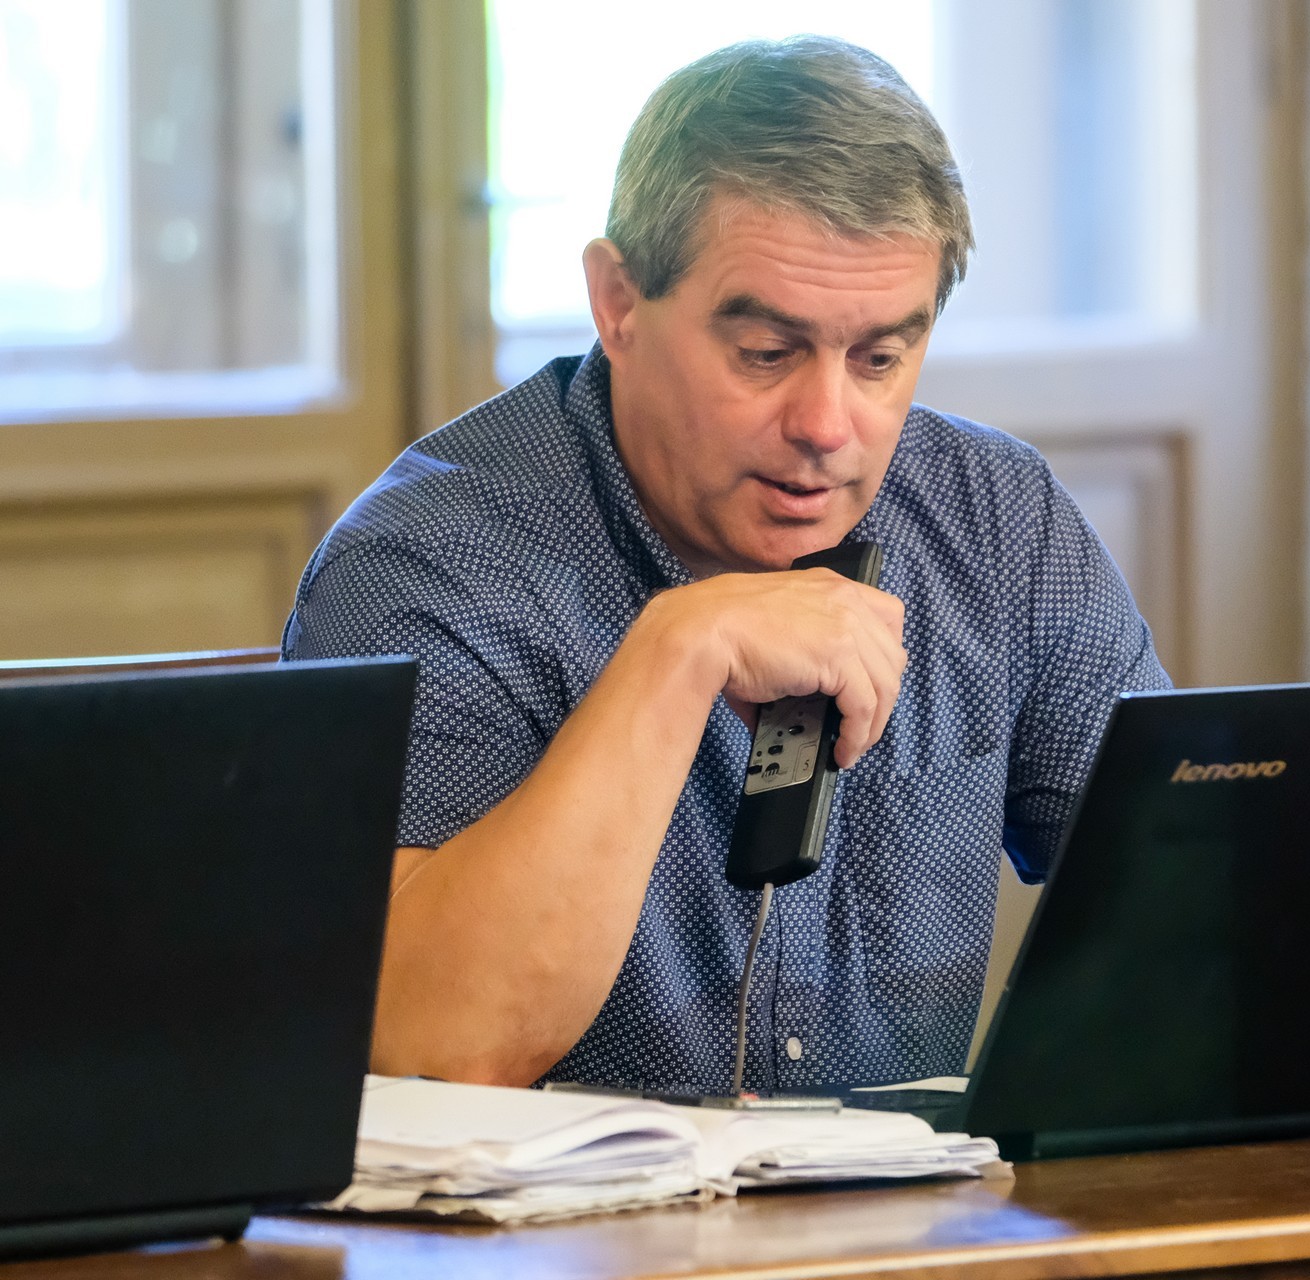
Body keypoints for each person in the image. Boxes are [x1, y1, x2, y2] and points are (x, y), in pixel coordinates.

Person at [284, 36, 1169, 1093]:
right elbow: (431, 1043)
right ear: (618, 302)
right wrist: (678, 649)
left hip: (911, 1202)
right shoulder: (429, 561)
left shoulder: (996, 523)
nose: (827, 425)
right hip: (582, 1206)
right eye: (766, 354)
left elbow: (1196, 909)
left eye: (880, 359)